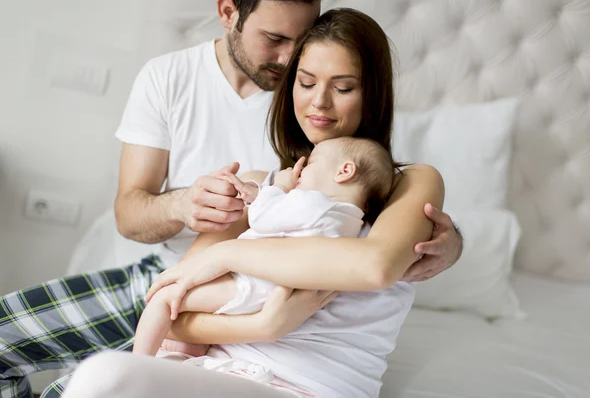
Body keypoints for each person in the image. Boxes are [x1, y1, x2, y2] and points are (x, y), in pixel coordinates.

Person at [0, 0, 462, 397]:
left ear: (372, 92)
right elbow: (176, 308)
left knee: (101, 379)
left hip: (312, 382)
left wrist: (228, 253)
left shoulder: (412, 180)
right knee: (81, 384)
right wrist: (264, 325)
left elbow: (374, 267)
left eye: (343, 88)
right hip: (228, 362)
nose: (319, 102)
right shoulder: (269, 184)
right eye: (304, 82)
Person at [133, 137, 399, 358]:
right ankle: (189, 351)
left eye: (310, 164)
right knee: (189, 314)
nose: (299, 171)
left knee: (164, 300)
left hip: (253, 284)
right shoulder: (349, 221)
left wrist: (280, 186)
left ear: (344, 171)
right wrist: (257, 192)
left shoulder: (315, 204)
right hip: (271, 289)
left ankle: (136, 366)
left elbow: (263, 218)